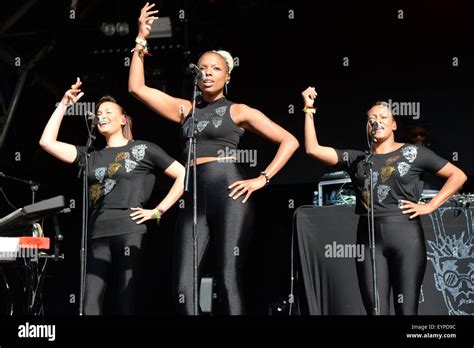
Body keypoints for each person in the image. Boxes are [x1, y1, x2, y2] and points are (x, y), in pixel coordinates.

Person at [128, 3, 300, 315]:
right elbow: (137, 88)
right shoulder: (185, 109)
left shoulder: (239, 111)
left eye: (216, 68)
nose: (208, 72)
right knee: (183, 283)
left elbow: (290, 140)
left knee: (227, 276)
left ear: (228, 76)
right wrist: (141, 39)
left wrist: (263, 178)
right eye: (203, 68)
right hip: (193, 197)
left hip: (230, 193)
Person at [301, 86, 467, 315]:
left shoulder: (414, 153)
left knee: (406, 310)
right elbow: (312, 149)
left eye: (382, 117)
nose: (376, 122)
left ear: (394, 125)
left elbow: (458, 175)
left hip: (405, 236)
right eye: (371, 119)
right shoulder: (358, 159)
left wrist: (430, 205)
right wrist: (308, 109)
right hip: (368, 237)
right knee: (375, 310)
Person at [39, 78, 185, 314]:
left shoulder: (143, 149)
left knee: (125, 301)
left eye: (108, 111)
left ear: (123, 119)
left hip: (130, 230)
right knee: (89, 304)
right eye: (98, 113)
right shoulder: (90, 155)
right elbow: (46, 142)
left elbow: (183, 174)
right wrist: (64, 105)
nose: (101, 116)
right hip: (97, 233)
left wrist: (159, 210)